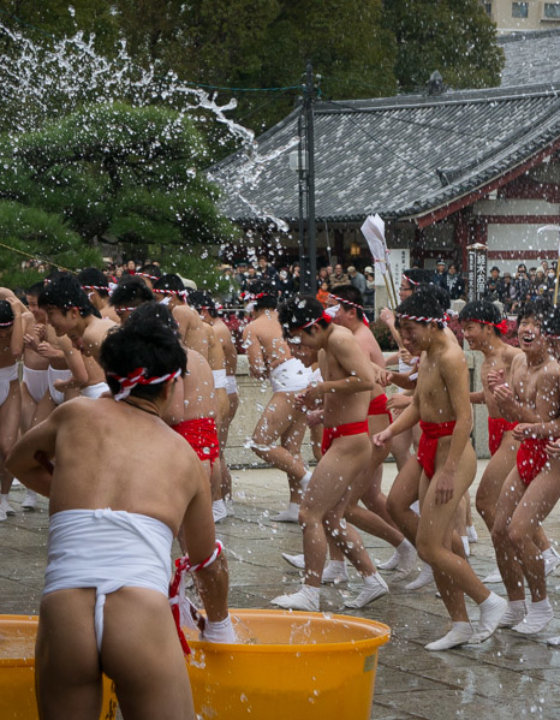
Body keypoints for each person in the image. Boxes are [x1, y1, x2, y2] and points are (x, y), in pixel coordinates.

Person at [6, 307, 233, 720]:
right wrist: (220, 625)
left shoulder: (74, 416)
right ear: (170, 387)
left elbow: (18, 463)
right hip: (138, 613)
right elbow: (206, 561)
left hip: (65, 610)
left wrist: (71, 496)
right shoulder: (183, 456)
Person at [373, 291, 506, 650]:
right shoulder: (428, 353)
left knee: (430, 546)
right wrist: (391, 430)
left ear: (433, 324)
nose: (405, 337)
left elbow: (465, 417)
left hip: (453, 453)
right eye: (401, 329)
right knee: (397, 505)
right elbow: (419, 403)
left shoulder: (450, 356)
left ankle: (489, 601)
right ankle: (460, 623)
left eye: (410, 329)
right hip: (429, 445)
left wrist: (448, 472)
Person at [272, 296, 388, 611]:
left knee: (309, 513)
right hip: (339, 436)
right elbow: (342, 387)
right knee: (332, 517)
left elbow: (366, 381)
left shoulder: (339, 338)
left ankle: (310, 592)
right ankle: (371, 578)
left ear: (312, 326)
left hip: (350, 441)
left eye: (299, 338)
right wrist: (318, 406)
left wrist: (322, 390)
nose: (299, 346)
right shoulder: (326, 345)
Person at [491, 299, 560, 634]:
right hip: (527, 452)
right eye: (525, 322)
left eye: (537, 325)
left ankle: (541, 605)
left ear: (549, 336)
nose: (528, 330)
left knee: (519, 531)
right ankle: (515, 602)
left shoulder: (551, 372)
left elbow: (547, 425)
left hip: (552, 459)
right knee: (499, 529)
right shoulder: (517, 362)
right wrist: (497, 392)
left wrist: (514, 409)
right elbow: (509, 415)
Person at [242, 280, 311, 521]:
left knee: (260, 442)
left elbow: (256, 367)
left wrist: (263, 367)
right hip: (306, 378)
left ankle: (309, 480)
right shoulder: (285, 318)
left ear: (253, 304)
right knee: (291, 447)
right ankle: (296, 506)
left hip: (289, 384)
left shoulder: (252, 327)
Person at [38, 274, 116, 399]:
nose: (48, 321)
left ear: (73, 312)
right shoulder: (99, 327)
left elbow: (134, 380)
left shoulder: (92, 335)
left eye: (51, 313)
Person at [0, 297, 24, 518]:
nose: (3, 335)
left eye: (7, 329)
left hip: (10, 384)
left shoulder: (21, 320)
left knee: (8, 448)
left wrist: (15, 308)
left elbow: (16, 351)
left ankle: (3, 499)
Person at [153, 275, 208, 358]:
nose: (156, 303)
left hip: (191, 367)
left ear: (170, 296)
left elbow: (174, 346)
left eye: (157, 298)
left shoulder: (179, 310)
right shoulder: (190, 310)